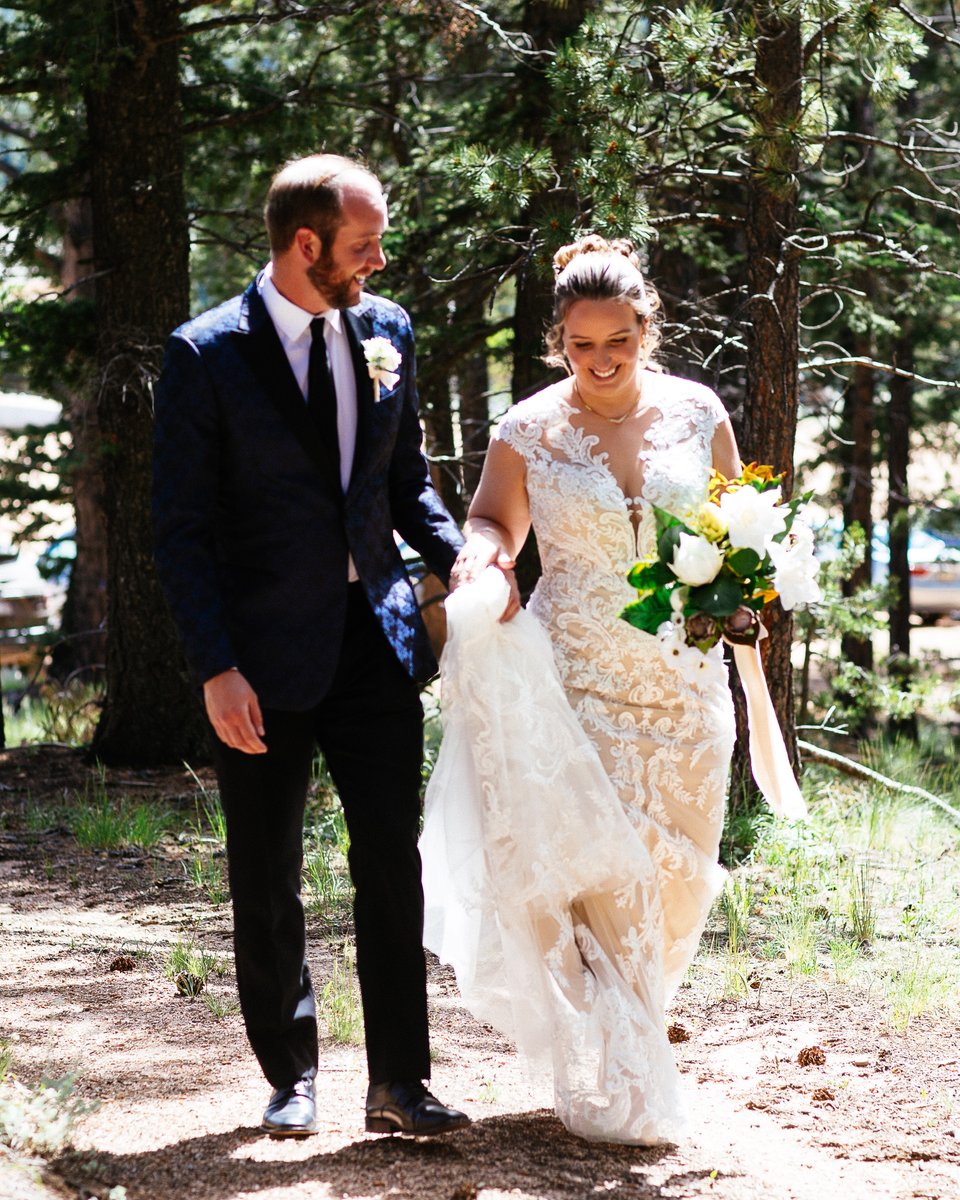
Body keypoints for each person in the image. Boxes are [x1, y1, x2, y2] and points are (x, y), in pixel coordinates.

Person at [421, 234, 793, 1144]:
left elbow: (733, 521)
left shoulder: (699, 411)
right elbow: (490, 522)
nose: (600, 361)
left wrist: (746, 596)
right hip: (573, 678)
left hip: (684, 680)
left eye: (617, 341)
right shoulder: (530, 429)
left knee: (675, 874)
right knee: (598, 870)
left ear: (645, 327)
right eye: (582, 346)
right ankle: (631, 1066)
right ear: (560, 341)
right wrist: (485, 563)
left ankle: (629, 1025)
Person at [152, 154, 471, 1139]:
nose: (379, 259)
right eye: (364, 245)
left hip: (373, 642)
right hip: (258, 660)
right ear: (306, 247)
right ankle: (291, 1074)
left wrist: (463, 559)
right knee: (266, 874)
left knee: (391, 862)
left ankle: (400, 1084)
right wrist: (215, 667)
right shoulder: (207, 354)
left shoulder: (386, 331)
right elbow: (182, 529)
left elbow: (403, 480)